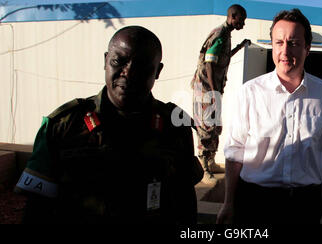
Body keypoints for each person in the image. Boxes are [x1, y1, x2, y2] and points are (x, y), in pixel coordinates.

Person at [14, 26, 203, 224]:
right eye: (117, 61)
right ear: (106, 60)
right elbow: (36, 210)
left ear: (158, 71)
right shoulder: (63, 126)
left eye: (142, 65)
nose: (128, 74)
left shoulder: (174, 126)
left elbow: (185, 207)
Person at [216, 9, 322, 224]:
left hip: (304, 207)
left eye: (294, 43)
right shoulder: (250, 92)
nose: (285, 51)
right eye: (279, 42)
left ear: (307, 48)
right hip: (254, 204)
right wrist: (228, 202)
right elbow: (235, 151)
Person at [191, 4, 251, 184]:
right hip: (206, 89)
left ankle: (210, 161)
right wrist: (213, 89)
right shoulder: (220, 34)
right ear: (233, 16)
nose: (243, 24)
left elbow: (222, 57)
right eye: (242, 19)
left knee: (215, 124)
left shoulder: (226, 35)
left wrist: (239, 47)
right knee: (206, 125)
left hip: (213, 88)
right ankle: (204, 167)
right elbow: (209, 63)